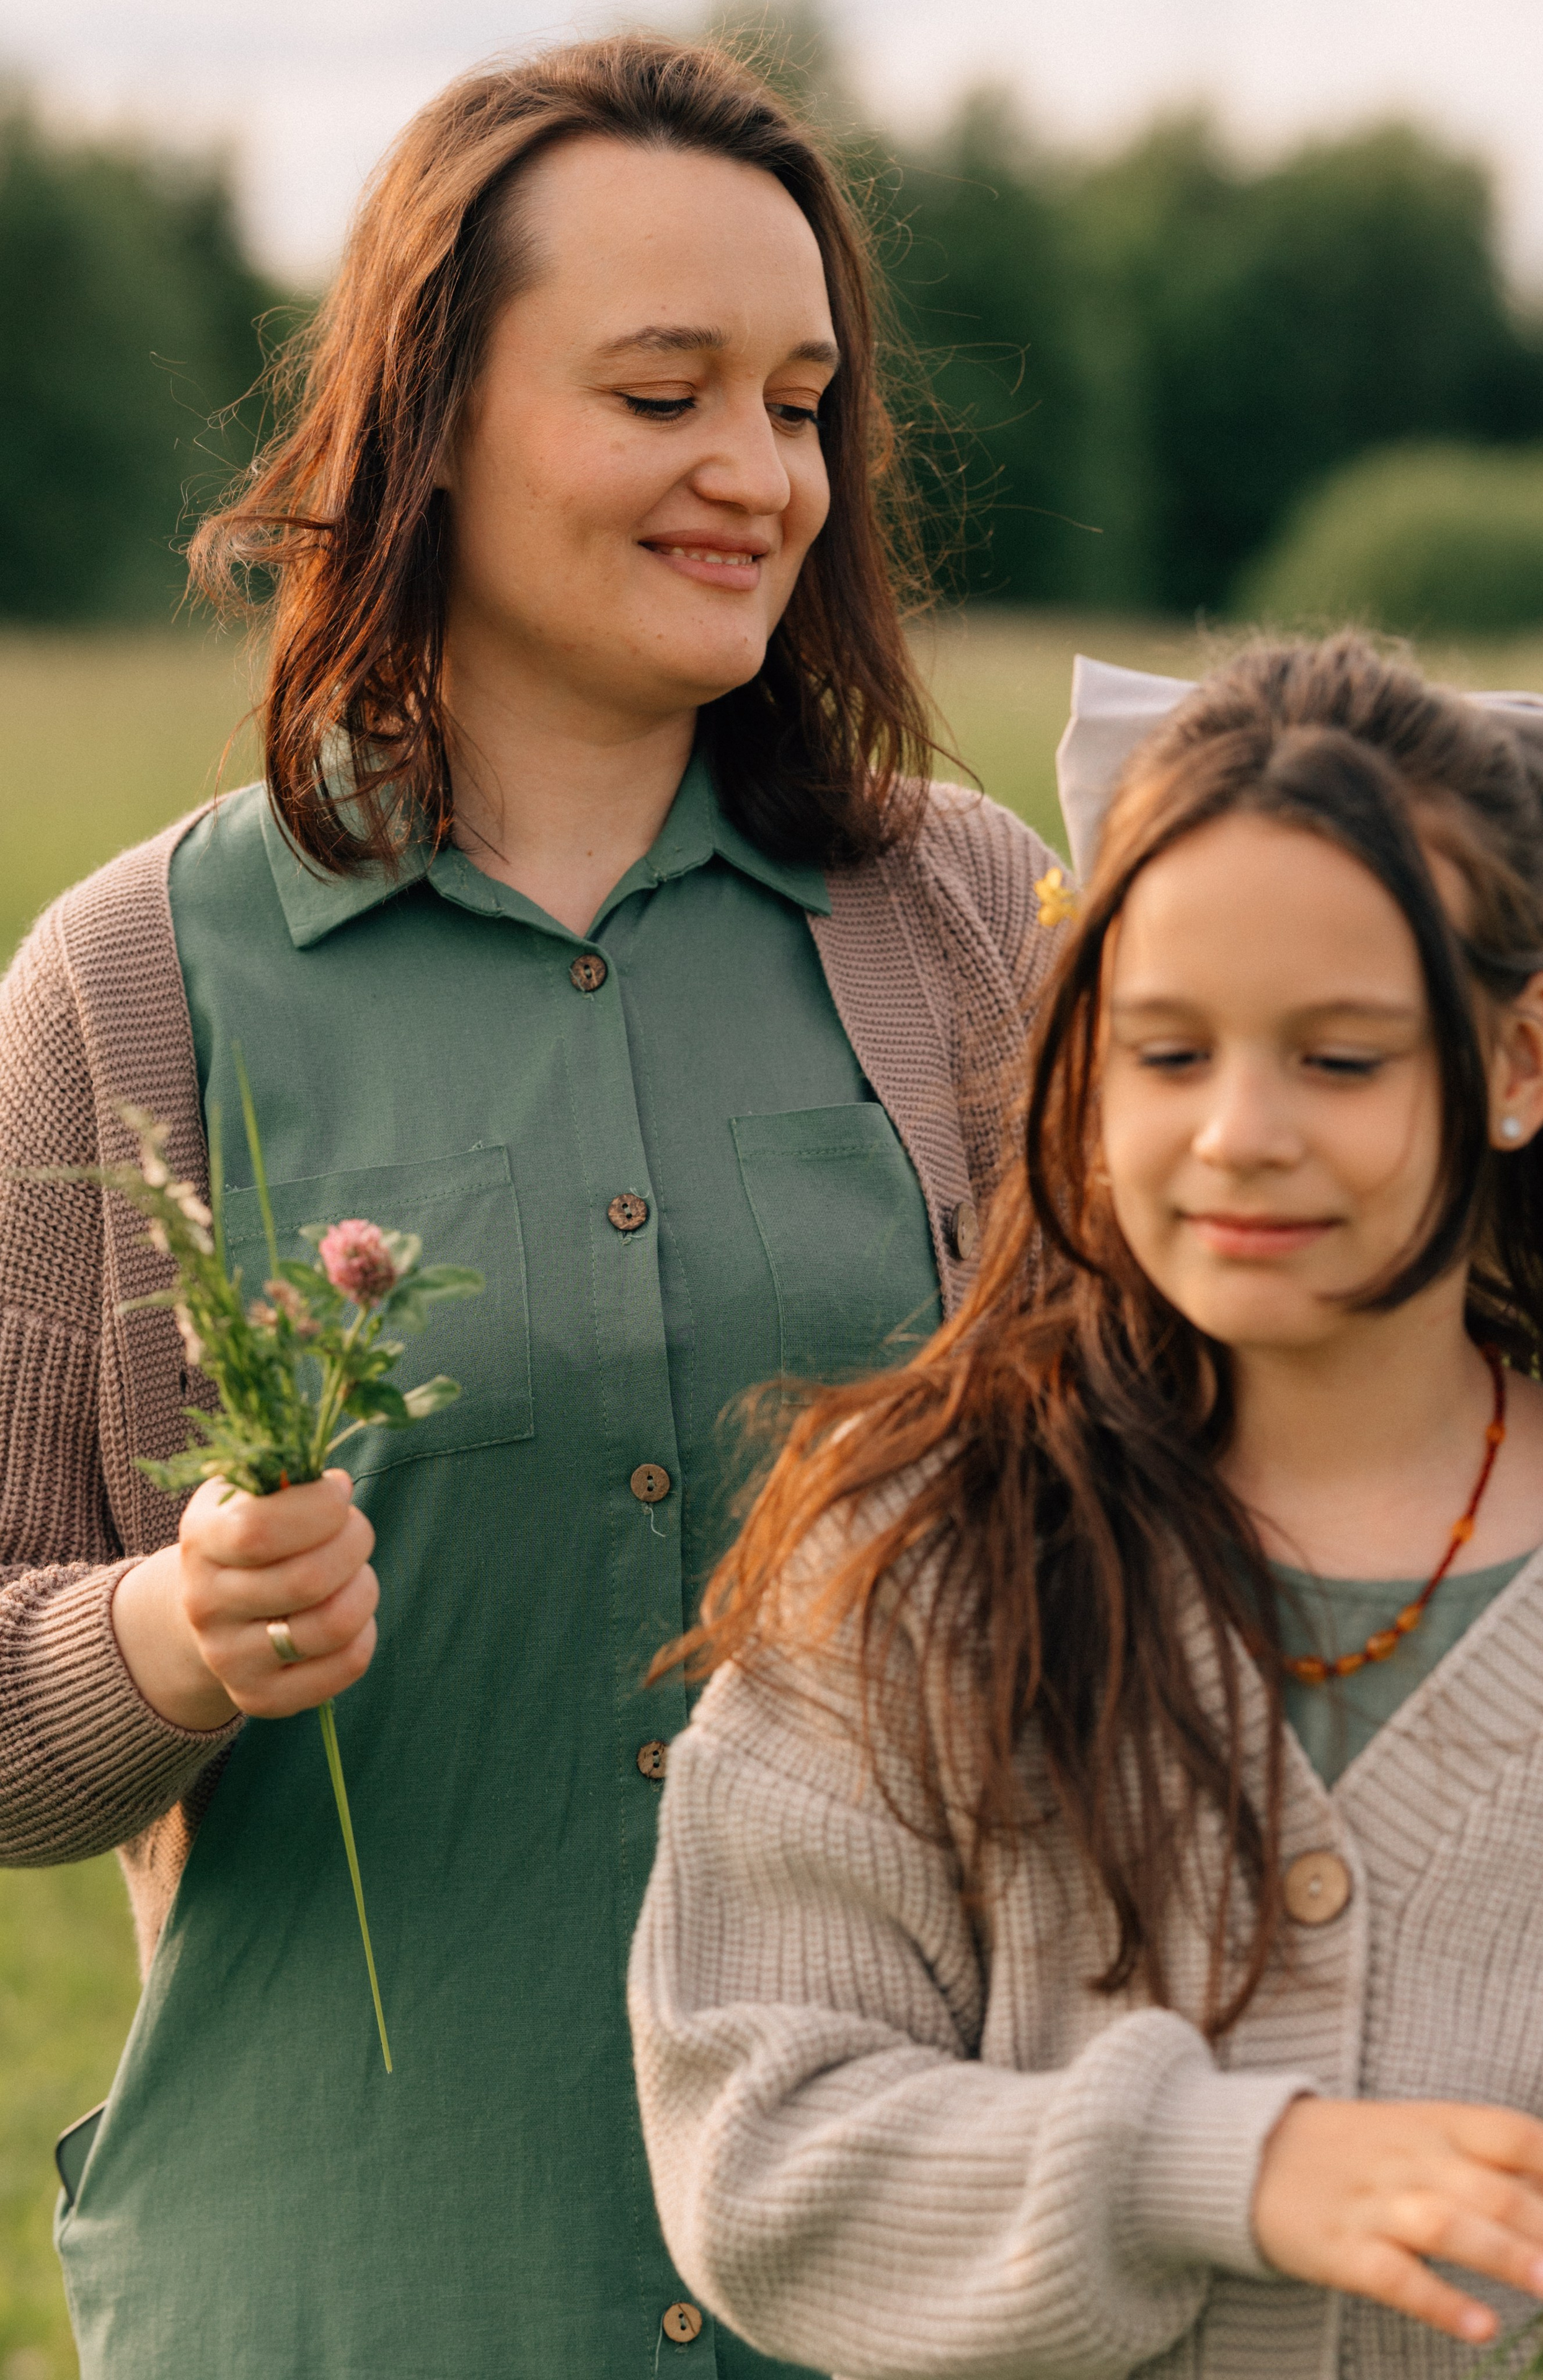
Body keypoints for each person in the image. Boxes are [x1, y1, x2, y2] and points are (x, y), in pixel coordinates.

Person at [0, 35, 1059, 2379]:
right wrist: (170, 1646)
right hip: (355, 2293)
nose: (757, 473)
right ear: (433, 423)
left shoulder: (976, 924)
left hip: (905, 2278)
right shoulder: (127, 987)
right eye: (665, 391)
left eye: (799, 404)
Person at [629, 633, 1543, 2380]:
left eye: (1342, 1060)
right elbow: (756, 2148)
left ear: (1522, 1059)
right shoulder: (911, 1557)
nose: (1236, 1135)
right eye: (1166, 1053)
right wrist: (1223, 2167)